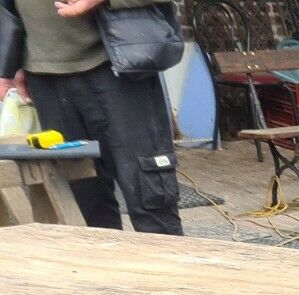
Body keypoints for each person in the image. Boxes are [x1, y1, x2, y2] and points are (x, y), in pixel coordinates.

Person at [1, 0, 182, 234]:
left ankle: (167, 258)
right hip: (43, 75)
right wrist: (11, 60)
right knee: (81, 206)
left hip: (118, 65)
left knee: (150, 199)